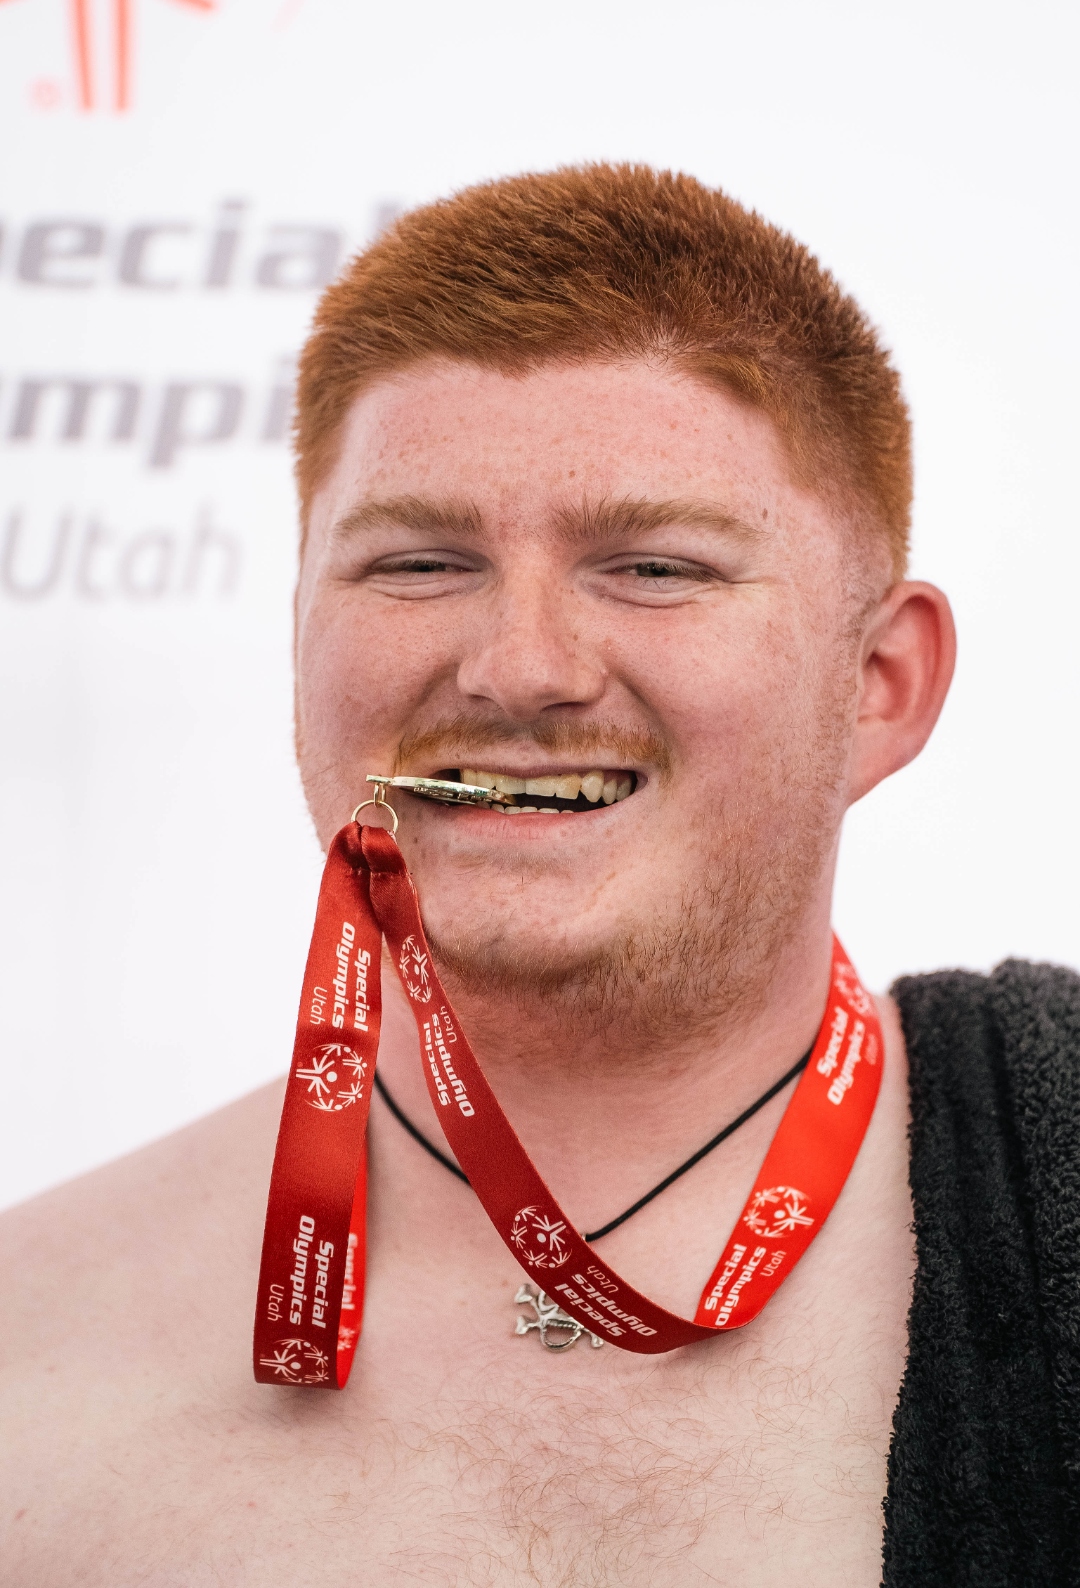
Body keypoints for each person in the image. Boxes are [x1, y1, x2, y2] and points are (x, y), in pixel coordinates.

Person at [2, 165, 1077, 1588]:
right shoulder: (31, 1348)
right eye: (419, 563)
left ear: (878, 685)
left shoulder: (1040, 1172)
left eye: (654, 568)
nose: (518, 668)